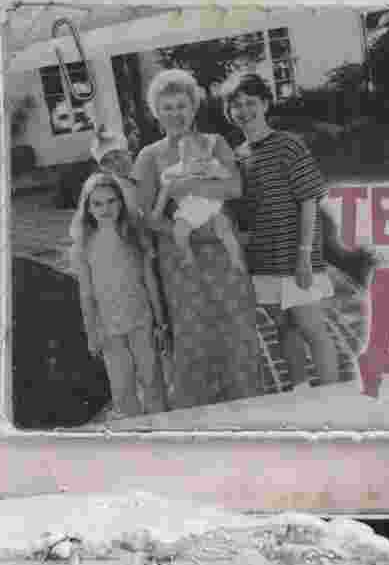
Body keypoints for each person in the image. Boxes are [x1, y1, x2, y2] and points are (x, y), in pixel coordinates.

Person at [132, 68, 262, 411]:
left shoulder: (215, 143)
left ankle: (249, 407)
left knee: (237, 328)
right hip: (180, 257)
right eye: (168, 107)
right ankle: (203, 415)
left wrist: (186, 188)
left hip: (222, 252)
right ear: (156, 112)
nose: (176, 113)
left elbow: (233, 187)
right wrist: (189, 232)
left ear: (193, 108)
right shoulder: (148, 156)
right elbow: (146, 216)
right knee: (193, 335)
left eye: (182, 106)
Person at [220, 71, 343, 389]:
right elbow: (241, 214)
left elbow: (310, 201)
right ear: (229, 112)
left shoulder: (288, 144)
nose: (244, 111)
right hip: (263, 260)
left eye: (250, 103)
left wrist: (304, 257)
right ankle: (299, 392)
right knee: (284, 328)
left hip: (296, 256)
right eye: (236, 105)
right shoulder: (237, 157)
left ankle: (337, 398)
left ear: (264, 104)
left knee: (311, 327)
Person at [69, 173, 169, 419]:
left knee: (152, 380)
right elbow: (86, 294)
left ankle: (165, 431)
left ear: (122, 202)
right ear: (87, 208)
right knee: (122, 388)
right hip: (109, 327)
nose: (106, 209)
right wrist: (92, 332)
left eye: (112, 201)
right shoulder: (82, 246)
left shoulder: (134, 235)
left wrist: (160, 320)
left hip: (141, 319)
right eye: (97, 203)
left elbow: (149, 280)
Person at [152, 132, 245, 272]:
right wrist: (158, 210)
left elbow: (227, 175)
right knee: (179, 232)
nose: (200, 164)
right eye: (194, 161)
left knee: (225, 229)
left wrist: (215, 172)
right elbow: (165, 186)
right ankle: (187, 256)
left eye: (203, 159)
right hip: (188, 212)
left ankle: (235, 258)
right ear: (183, 158)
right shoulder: (177, 170)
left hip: (212, 209)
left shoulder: (211, 165)